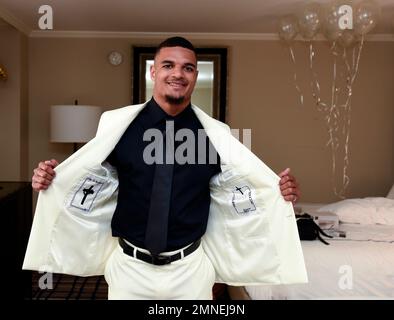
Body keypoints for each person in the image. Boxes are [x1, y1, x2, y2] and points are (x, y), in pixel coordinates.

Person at [25, 37, 305, 300]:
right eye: (168, 65)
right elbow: (90, 181)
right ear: (153, 72)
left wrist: (279, 189)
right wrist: (49, 178)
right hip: (129, 270)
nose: (178, 74)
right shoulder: (116, 126)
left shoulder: (216, 136)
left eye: (188, 68)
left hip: (190, 271)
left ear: (195, 76)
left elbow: (239, 190)